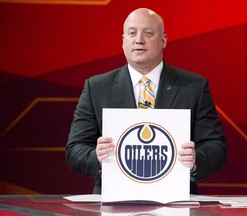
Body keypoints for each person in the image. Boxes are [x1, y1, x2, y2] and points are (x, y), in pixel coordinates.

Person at [66, 8, 228, 194]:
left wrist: (195, 159)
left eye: (148, 33)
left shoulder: (193, 87)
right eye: (132, 33)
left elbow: (217, 147)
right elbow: (74, 149)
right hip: (113, 200)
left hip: (176, 201)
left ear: (163, 40)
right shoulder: (96, 87)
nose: (139, 40)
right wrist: (97, 158)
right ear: (123, 41)